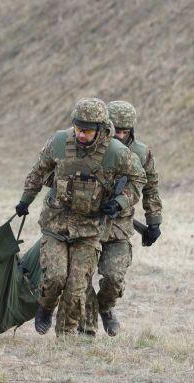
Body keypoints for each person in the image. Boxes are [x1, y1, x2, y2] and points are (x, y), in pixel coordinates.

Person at [15, 97, 146, 336]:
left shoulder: (116, 152)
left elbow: (138, 179)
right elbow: (38, 171)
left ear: (101, 128)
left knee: (76, 287)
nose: (81, 135)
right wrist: (25, 200)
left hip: (90, 228)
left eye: (87, 130)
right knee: (55, 278)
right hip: (57, 222)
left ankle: (66, 335)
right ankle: (45, 307)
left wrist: (120, 202)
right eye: (78, 128)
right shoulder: (59, 142)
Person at [81, 101, 162, 337]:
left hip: (119, 226)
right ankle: (87, 325)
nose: (119, 135)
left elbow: (151, 187)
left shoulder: (141, 153)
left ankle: (105, 309)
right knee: (80, 277)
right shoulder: (87, 148)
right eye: (116, 129)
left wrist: (154, 220)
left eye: (125, 131)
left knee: (114, 278)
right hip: (88, 225)